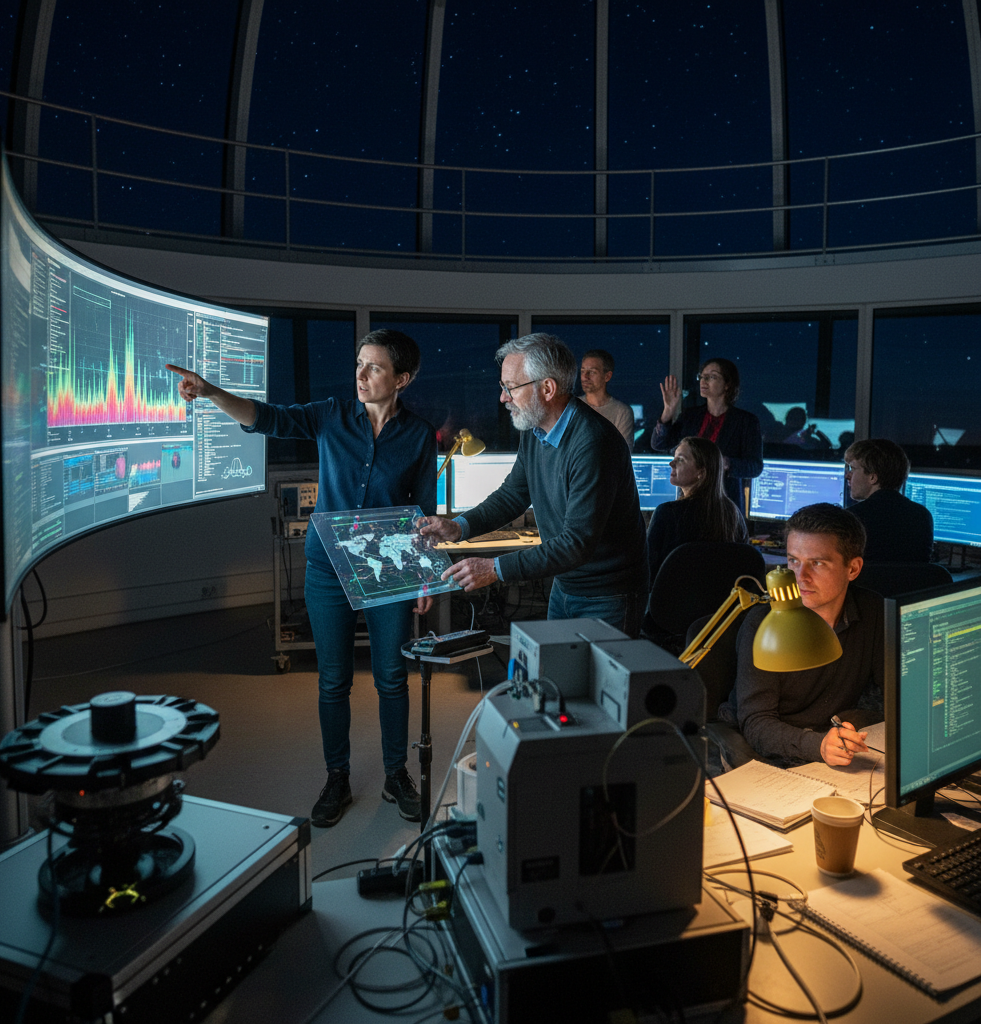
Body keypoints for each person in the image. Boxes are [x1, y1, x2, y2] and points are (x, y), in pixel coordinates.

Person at [167, 330, 435, 829]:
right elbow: (268, 418)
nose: (359, 374)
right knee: (333, 680)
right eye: (358, 363)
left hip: (389, 568)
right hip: (328, 568)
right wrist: (212, 393)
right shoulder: (332, 414)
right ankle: (337, 776)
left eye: (374, 367)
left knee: (391, 678)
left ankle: (396, 774)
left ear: (403, 378)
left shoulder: (419, 436)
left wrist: (421, 579)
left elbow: (422, 511)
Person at [417, 333, 648, 634]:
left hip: (609, 593)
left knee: (600, 682)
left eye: (510, 387)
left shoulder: (592, 443)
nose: (502, 397)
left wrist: (494, 568)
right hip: (566, 586)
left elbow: (575, 544)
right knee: (561, 678)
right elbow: (513, 494)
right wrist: (459, 527)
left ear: (548, 388)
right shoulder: (535, 430)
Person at [719, 503, 883, 768]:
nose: (800, 577)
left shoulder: (872, 611)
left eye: (817, 563)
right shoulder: (765, 623)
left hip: (829, 744)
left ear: (853, 568)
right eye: (793, 560)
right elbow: (756, 721)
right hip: (764, 751)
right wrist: (817, 745)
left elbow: (896, 694)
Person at [652, 357, 763, 510]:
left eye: (712, 376)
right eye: (702, 376)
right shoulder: (691, 416)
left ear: (728, 385)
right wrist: (668, 412)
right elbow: (659, 444)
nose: (704, 381)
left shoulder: (745, 421)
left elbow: (755, 467)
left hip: (724, 505)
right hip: (688, 502)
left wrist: (726, 463)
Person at [645, 437, 748, 584]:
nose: (671, 463)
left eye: (680, 460)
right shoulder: (732, 512)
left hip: (671, 603)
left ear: (701, 472)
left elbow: (647, 572)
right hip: (722, 605)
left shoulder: (667, 513)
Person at [844, 438, 934, 563]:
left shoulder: (850, 518)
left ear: (872, 478)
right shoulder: (922, 515)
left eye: (852, 469)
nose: (847, 475)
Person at [579, 348, 635, 450]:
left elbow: (622, 454)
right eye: (583, 371)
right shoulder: (571, 408)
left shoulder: (621, 412)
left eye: (592, 372)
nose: (585, 377)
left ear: (607, 376)